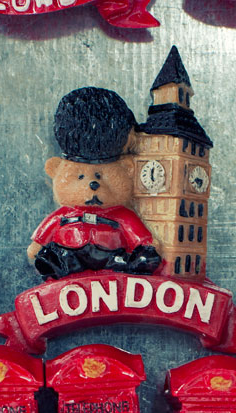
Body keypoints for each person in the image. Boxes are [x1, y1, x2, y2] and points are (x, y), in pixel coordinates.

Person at [28, 87, 161, 279]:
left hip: (110, 257)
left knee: (125, 262)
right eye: (80, 176)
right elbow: (45, 233)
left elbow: (138, 234)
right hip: (70, 256)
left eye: (101, 175)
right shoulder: (65, 214)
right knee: (56, 259)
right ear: (55, 169)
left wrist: (146, 246)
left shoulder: (121, 214)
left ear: (128, 168)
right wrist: (37, 246)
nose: (92, 184)